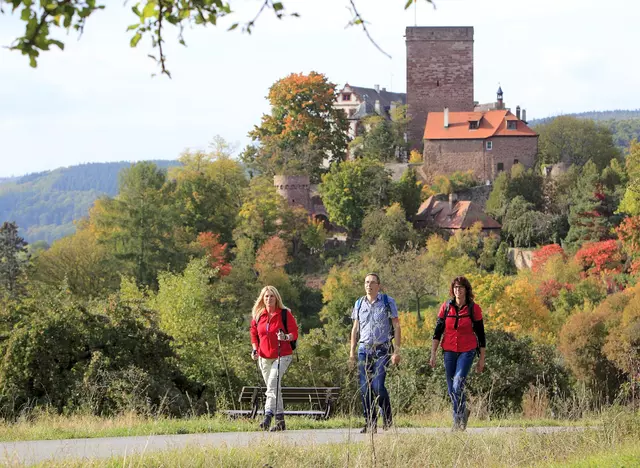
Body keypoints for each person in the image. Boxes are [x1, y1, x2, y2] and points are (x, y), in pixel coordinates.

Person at [430, 276, 486, 431]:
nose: (458, 290)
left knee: (457, 383)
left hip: (467, 351)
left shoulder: (474, 309)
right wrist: (433, 354)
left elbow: (481, 336)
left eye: (461, 287)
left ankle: (457, 421)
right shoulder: (446, 307)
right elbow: (437, 332)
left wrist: (482, 359)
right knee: (451, 388)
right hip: (448, 350)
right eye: (455, 287)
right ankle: (463, 412)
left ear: (466, 290)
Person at [349, 273, 401, 433]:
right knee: (365, 388)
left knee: (378, 386)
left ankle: (387, 416)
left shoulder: (387, 302)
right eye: (366, 282)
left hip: (382, 349)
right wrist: (352, 352)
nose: (369, 285)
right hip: (364, 350)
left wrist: (396, 351)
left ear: (378, 285)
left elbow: (397, 327)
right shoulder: (359, 303)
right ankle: (370, 423)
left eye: (372, 282)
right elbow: (355, 329)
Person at [250, 285, 298, 432]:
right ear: (262, 299)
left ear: (276, 298)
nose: (269, 299)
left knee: (272, 383)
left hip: (282, 355)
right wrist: (254, 350)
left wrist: (284, 337)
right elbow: (254, 335)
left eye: (271, 296)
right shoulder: (259, 315)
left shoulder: (284, 314)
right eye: (266, 296)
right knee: (274, 388)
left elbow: (294, 333)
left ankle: (268, 416)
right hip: (264, 357)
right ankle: (280, 422)